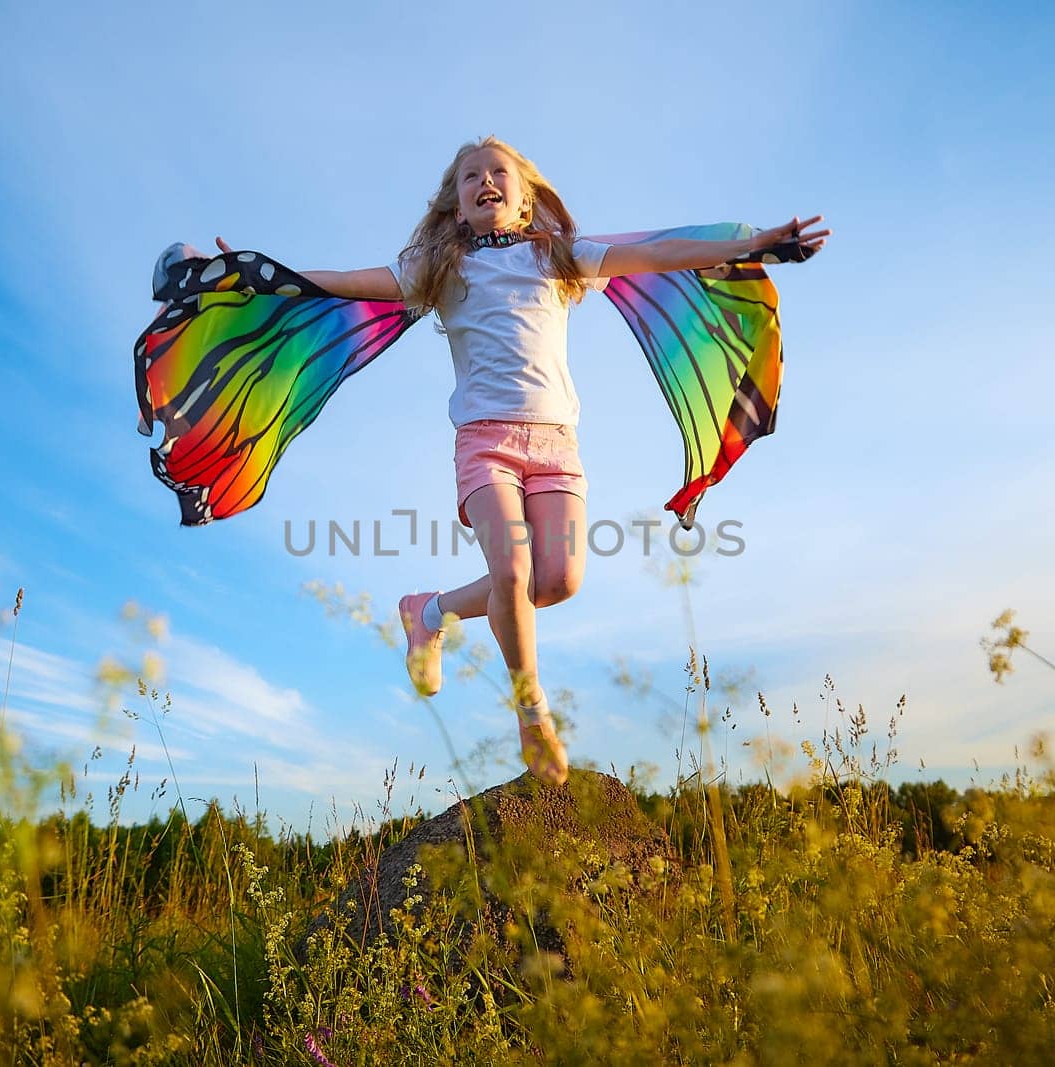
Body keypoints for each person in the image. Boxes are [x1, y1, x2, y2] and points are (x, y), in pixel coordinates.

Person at [216, 136, 828, 787]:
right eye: (469, 177)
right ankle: (533, 717)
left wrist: (752, 246)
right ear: (455, 207)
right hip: (486, 446)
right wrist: (266, 274)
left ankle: (429, 611)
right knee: (512, 571)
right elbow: (342, 284)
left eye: (497, 172)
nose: (485, 181)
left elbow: (659, 253)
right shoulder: (439, 271)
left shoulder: (561, 257)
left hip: (558, 448)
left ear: (526, 195)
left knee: (558, 580)